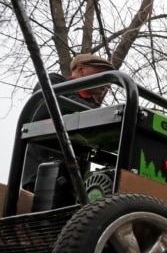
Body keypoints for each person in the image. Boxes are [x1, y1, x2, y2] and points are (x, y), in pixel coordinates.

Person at [22, 54, 117, 191]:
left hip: (75, 184)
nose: (107, 85)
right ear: (81, 69)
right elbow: (54, 104)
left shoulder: (91, 107)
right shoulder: (54, 82)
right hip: (42, 175)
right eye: (102, 75)